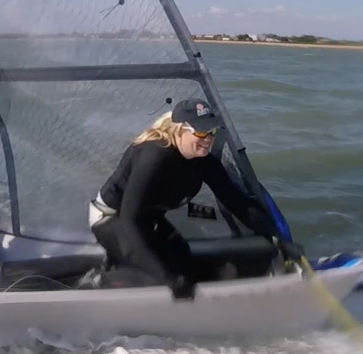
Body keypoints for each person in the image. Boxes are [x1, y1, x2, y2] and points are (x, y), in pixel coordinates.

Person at [87, 97, 282, 298]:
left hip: (148, 219)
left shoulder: (205, 161)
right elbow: (130, 221)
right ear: (180, 130)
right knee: (161, 279)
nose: (208, 138)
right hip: (111, 218)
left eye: (212, 131)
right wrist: (167, 279)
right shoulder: (154, 157)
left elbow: (235, 202)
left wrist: (275, 235)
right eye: (201, 132)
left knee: (184, 261)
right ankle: (102, 282)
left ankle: (127, 265)